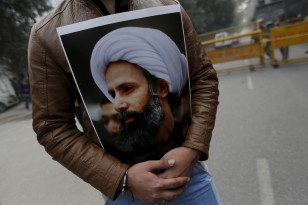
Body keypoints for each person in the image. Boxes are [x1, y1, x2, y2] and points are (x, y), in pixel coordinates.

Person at [28, 0, 219, 204]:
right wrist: (122, 179)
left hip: (188, 177)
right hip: (125, 195)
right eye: (113, 93)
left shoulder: (164, 4)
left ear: (162, 87)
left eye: (127, 89)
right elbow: (52, 127)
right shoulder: (46, 35)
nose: (117, 104)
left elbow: (202, 78)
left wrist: (192, 149)